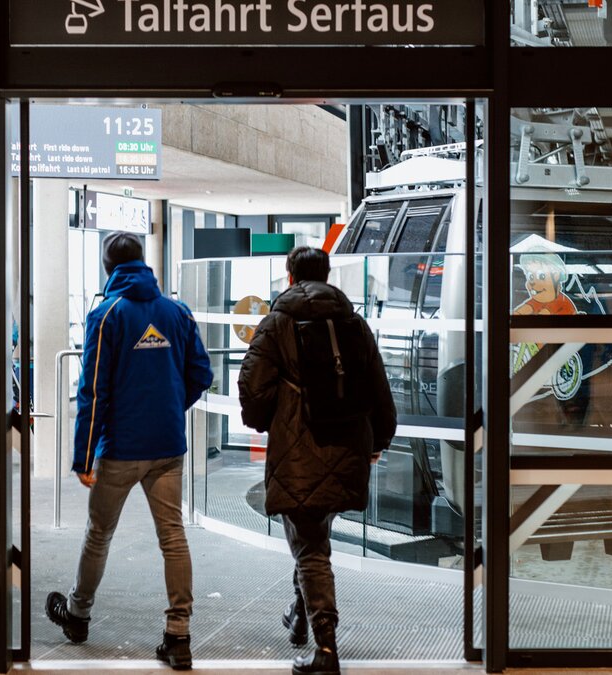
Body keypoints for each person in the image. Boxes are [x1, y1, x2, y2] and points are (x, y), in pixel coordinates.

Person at [45, 232, 212, 671]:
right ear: (143, 261)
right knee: (173, 537)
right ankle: (179, 637)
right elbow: (201, 372)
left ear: (108, 267)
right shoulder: (176, 311)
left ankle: (78, 615)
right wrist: (172, 408)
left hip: (119, 448)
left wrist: (82, 458)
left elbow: (92, 393)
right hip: (168, 448)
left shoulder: (106, 315)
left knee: (99, 534)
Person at [237, 246, 396, 675]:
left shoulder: (275, 324)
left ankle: (326, 648)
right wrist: (378, 439)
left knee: (309, 546)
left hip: (298, 449)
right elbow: (379, 386)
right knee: (314, 532)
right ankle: (299, 615)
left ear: (290, 277)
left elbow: (252, 392)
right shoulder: (354, 323)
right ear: (327, 276)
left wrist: (264, 421)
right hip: (348, 446)